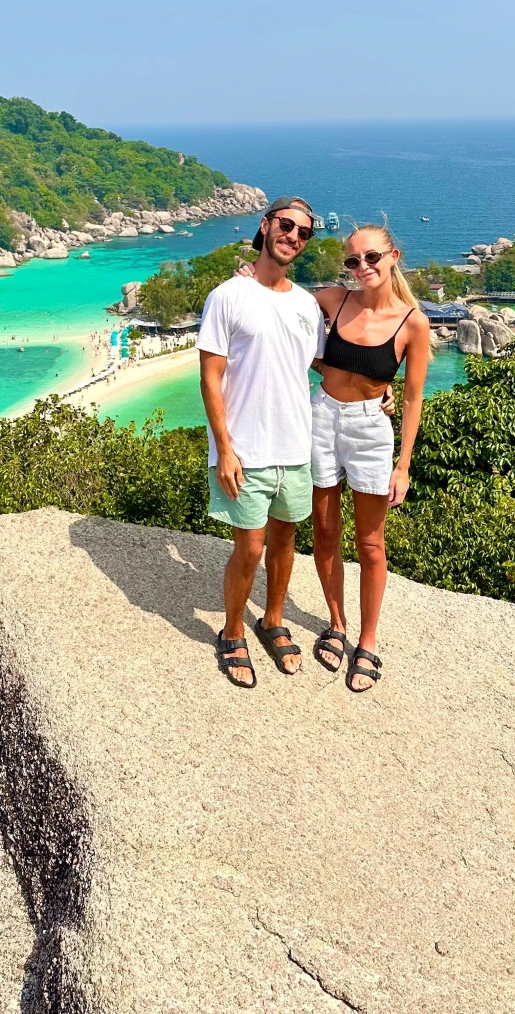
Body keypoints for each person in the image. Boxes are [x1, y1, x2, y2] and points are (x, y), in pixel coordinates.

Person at [197, 197, 323, 689]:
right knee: (249, 549)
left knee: (286, 541)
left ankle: (272, 619)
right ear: (266, 225)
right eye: (286, 226)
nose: (293, 236)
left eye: (304, 232)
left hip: (295, 446)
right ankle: (232, 631)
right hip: (245, 449)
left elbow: (319, 364)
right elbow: (210, 378)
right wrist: (224, 449)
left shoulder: (307, 304)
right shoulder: (227, 296)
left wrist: (379, 391)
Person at [309, 222, 430, 692]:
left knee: (371, 544)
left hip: (370, 432)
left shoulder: (412, 322)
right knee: (324, 532)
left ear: (393, 256)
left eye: (372, 257)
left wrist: (404, 465)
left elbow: (413, 397)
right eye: (353, 260)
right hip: (321, 417)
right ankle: (337, 624)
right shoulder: (334, 300)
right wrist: (248, 275)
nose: (362, 267)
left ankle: (369, 640)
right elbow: (281, 304)